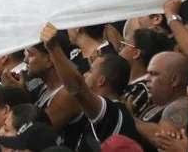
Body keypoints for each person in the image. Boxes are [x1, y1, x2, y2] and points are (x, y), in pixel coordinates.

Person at [40, 22, 143, 150]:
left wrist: (53, 47)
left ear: (101, 80)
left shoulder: (110, 114)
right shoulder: (117, 113)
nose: (84, 75)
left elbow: (77, 89)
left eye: (90, 71)